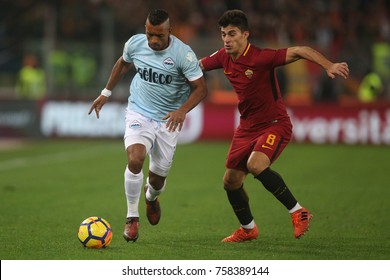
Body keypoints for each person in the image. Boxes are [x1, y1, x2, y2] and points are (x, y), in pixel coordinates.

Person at [199, 10, 349, 242]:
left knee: (256, 164)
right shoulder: (222, 57)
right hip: (247, 128)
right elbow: (195, 66)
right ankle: (248, 229)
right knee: (231, 182)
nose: (227, 39)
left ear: (245, 35)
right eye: (223, 34)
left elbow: (301, 50)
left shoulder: (260, 57)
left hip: (274, 124)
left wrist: (328, 65)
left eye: (232, 33)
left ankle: (299, 212)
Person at [89, 9, 207, 242]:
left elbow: (201, 89)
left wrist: (182, 110)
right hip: (139, 111)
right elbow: (123, 64)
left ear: (169, 32)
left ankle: (151, 197)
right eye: (149, 34)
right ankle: (132, 217)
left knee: (157, 179)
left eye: (159, 36)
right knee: (135, 159)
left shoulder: (184, 54)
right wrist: (105, 92)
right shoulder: (135, 43)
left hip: (167, 120)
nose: (153, 40)